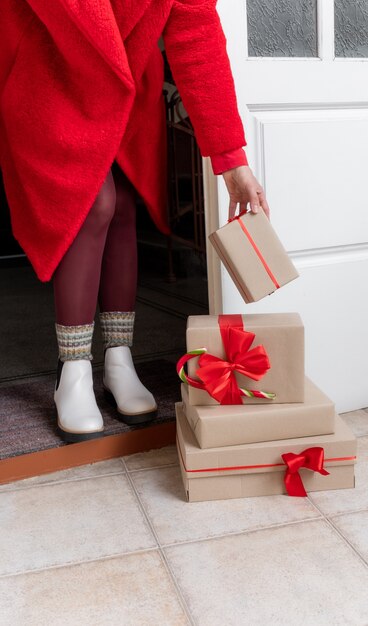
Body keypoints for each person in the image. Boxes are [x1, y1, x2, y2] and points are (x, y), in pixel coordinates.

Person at [0, 0, 270, 443]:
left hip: (123, 81)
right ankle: (73, 370)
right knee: (93, 205)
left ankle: (118, 360)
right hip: (44, 69)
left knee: (124, 207)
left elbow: (197, 33)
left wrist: (231, 161)